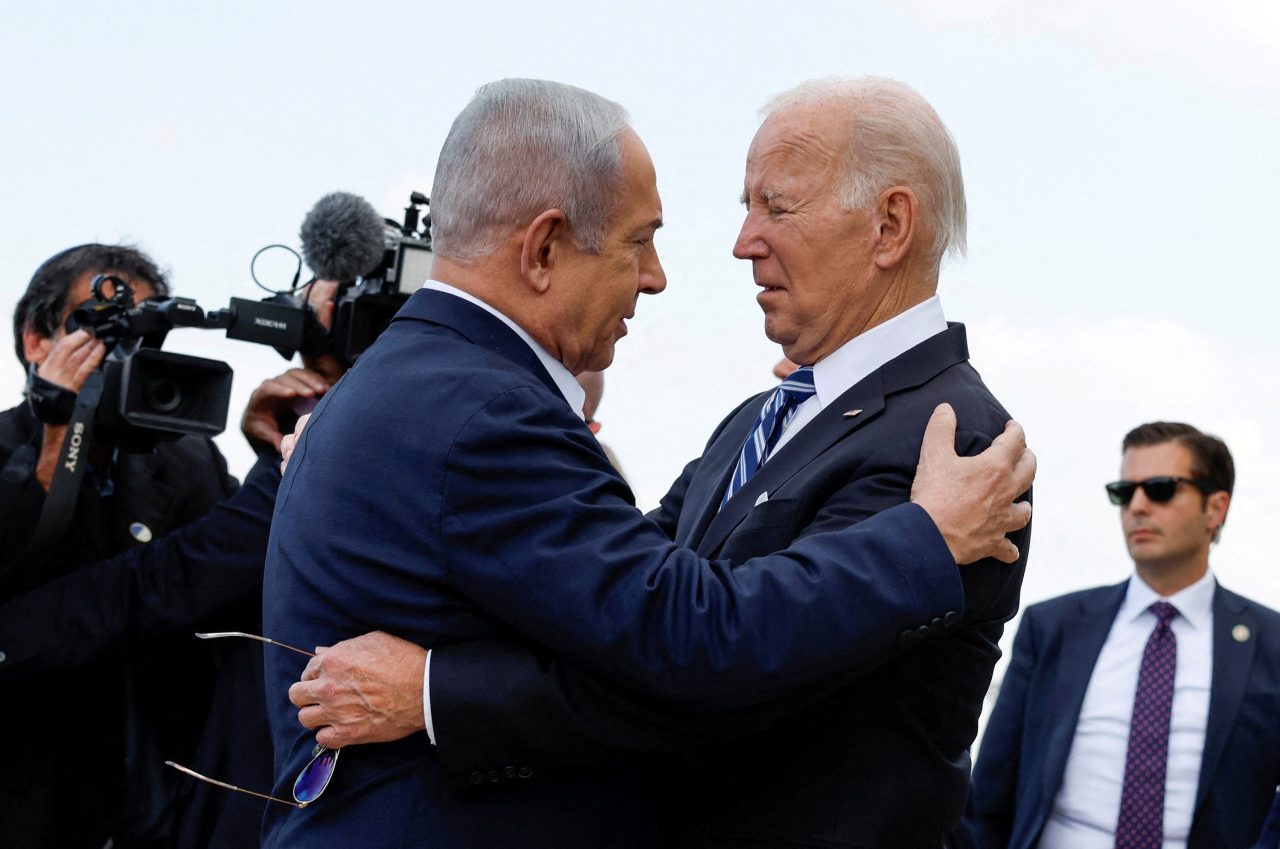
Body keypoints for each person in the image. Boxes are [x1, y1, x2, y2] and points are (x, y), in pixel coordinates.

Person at [267, 76, 1033, 849]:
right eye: (746, 208)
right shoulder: (755, 424)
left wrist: (436, 693)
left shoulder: (958, 452)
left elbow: (707, 676)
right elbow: (642, 621)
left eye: (775, 205)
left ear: (889, 226)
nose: (742, 242)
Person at [0, 261, 343, 848]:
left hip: (165, 808)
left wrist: (281, 444)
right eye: (103, 329)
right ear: (36, 341)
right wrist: (60, 436)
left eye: (143, 333)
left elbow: (225, 573)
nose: (124, 353)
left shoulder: (189, 462)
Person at [964, 422, 1280, 848]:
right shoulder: (1053, 627)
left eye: (1161, 489)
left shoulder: (1271, 644)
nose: (1138, 506)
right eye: (1124, 492)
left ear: (1216, 508)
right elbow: (988, 797)